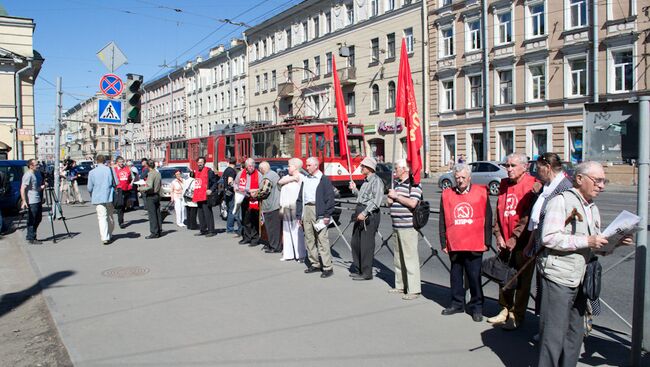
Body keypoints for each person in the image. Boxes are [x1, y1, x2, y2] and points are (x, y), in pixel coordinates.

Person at [537, 161, 632, 367]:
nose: (602, 186)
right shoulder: (560, 201)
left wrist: (615, 243)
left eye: (603, 181)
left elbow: (595, 247)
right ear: (579, 179)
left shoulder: (592, 208)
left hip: (580, 279)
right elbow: (549, 238)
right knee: (553, 337)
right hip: (559, 278)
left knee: (575, 335)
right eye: (597, 180)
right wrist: (587, 241)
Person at [486, 153, 539, 330]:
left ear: (525, 167)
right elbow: (498, 213)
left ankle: (517, 315)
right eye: (506, 166)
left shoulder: (533, 185)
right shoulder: (503, 185)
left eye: (512, 166)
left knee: (522, 281)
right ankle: (504, 309)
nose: (508, 169)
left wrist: (514, 238)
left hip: (523, 243)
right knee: (504, 277)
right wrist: (498, 235)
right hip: (505, 241)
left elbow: (527, 217)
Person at [439, 163, 492, 322]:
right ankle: (457, 303)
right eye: (457, 178)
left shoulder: (481, 193)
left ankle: (477, 307)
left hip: (474, 243)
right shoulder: (447, 194)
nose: (460, 181)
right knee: (455, 275)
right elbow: (443, 219)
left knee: (474, 276)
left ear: (469, 178)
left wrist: (487, 242)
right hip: (455, 243)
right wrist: (443, 242)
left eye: (463, 177)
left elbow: (488, 218)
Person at [386, 159, 423, 299]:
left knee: (410, 258)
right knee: (398, 258)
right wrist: (389, 200)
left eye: (397, 168)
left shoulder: (414, 184)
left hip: (408, 226)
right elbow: (389, 202)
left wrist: (397, 196)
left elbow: (413, 203)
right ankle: (400, 285)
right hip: (396, 225)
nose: (395, 170)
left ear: (405, 169)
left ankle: (413, 289)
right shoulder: (395, 184)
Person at [296, 157, 335, 278]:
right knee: (309, 238)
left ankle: (327, 266)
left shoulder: (323, 180)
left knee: (322, 239)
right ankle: (315, 263)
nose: (306, 168)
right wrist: (299, 215)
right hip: (307, 209)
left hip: (319, 211)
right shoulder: (306, 179)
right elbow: (300, 198)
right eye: (306, 165)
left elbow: (329, 199)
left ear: (316, 166)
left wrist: (327, 215)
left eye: (308, 165)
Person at [348, 156, 384, 280]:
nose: (361, 167)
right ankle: (358, 269)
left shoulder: (376, 181)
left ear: (369, 168)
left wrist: (365, 212)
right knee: (356, 242)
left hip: (369, 214)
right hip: (360, 210)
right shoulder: (365, 181)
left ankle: (366, 272)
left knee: (366, 244)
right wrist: (354, 190)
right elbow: (362, 198)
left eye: (363, 166)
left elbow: (376, 200)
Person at [278, 158, 306, 261]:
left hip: (295, 207)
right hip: (285, 206)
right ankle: (288, 254)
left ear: (295, 166)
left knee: (297, 231)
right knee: (286, 231)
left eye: (289, 165)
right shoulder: (287, 177)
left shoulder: (302, 177)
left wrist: (296, 178)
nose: (288, 167)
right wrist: (293, 178)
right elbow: (280, 182)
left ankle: (300, 254)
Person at [87, 155, 116, 245]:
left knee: (102, 217)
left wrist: (92, 192)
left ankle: (105, 237)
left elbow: (89, 187)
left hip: (98, 197)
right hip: (109, 196)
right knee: (110, 216)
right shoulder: (110, 170)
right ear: (105, 161)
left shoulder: (92, 172)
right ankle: (110, 234)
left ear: (96, 161)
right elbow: (116, 183)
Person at [235, 158, 262, 246]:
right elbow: (236, 183)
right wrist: (235, 187)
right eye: (249, 166)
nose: (251, 167)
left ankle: (255, 239)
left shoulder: (258, 174)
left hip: (254, 199)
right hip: (244, 198)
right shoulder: (240, 173)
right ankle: (246, 237)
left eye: (253, 165)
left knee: (254, 220)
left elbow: (262, 187)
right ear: (246, 166)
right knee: (245, 219)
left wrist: (254, 190)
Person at [257, 161, 282, 253]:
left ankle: (274, 247)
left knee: (272, 228)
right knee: (274, 228)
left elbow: (265, 191)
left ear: (262, 169)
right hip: (275, 205)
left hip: (271, 206)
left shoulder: (268, 177)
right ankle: (274, 245)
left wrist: (255, 194)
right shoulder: (274, 174)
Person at [192, 157, 218, 237]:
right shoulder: (196, 171)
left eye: (201, 162)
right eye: (198, 162)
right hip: (198, 195)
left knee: (208, 213)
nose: (199, 163)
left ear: (204, 163)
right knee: (200, 214)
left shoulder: (209, 171)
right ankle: (203, 230)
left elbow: (215, 182)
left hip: (206, 196)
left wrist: (211, 190)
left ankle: (211, 231)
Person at [21, 159, 45, 244]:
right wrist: (24, 201)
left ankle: (32, 235)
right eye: (36, 165)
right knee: (32, 220)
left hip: (37, 199)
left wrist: (41, 188)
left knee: (38, 218)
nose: (38, 166)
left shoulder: (34, 174)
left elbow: (34, 188)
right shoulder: (28, 175)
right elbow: (22, 188)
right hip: (32, 201)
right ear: (31, 166)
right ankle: (31, 238)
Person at [138, 158, 162, 239]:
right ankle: (159, 230)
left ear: (148, 166)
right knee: (157, 213)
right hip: (157, 195)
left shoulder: (151, 174)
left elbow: (149, 186)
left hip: (151, 195)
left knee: (152, 215)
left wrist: (140, 188)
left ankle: (154, 232)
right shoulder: (157, 173)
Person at [113, 156, 132, 229]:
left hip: (127, 189)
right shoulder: (115, 170)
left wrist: (131, 183)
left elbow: (131, 178)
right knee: (120, 205)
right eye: (120, 162)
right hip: (119, 189)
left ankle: (121, 216)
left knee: (124, 205)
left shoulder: (127, 169)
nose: (121, 163)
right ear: (117, 163)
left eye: (122, 162)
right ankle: (121, 222)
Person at [222, 157, 239, 234]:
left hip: (226, 192)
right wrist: (236, 186)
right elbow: (230, 181)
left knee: (229, 210)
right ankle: (230, 228)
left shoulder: (226, 170)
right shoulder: (232, 171)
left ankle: (229, 228)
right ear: (235, 163)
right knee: (232, 210)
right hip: (231, 193)